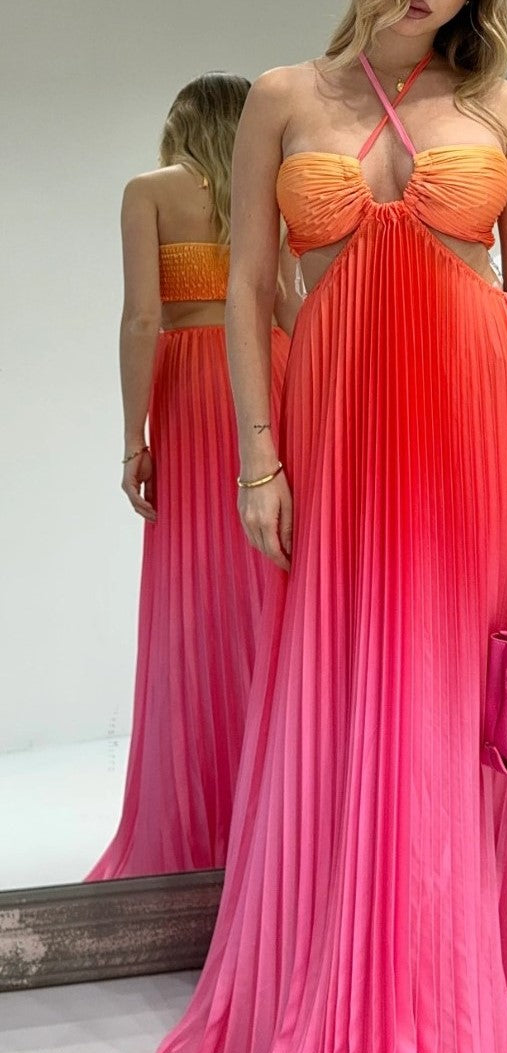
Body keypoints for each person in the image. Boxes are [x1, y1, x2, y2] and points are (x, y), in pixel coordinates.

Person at [155, 4, 507, 1053]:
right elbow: (246, 287)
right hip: (339, 436)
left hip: (474, 431)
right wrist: (257, 461)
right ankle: (357, 998)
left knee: (454, 704)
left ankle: (456, 1011)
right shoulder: (282, 99)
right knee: (352, 693)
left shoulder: (500, 107)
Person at [86, 73, 294, 881]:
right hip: (266, 378)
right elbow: (288, 306)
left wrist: (132, 436)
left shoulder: (149, 192)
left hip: (192, 392)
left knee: (197, 589)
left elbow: (143, 317)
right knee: (272, 579)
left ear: (179, 123)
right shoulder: (265, 186)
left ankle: (201, 819)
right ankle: (279, 817)